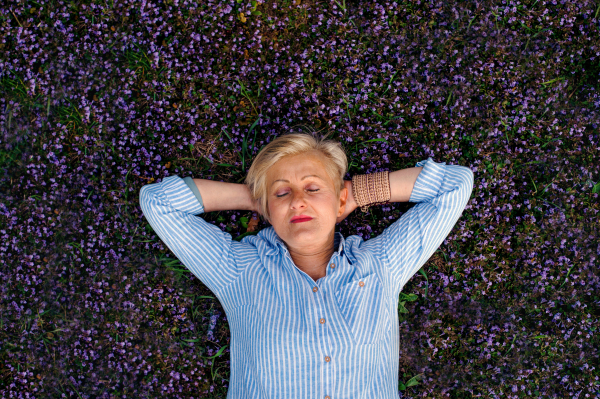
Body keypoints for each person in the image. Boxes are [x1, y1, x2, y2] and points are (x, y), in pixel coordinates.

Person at [139, 130, 474, 398]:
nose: (298, 200)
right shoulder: (238, 270)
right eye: (282, 193)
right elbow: (158, 202)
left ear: (339, 197)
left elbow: (456, 184)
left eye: (313, 187)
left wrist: (356, 192)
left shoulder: (381, 266)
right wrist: (256, 197)